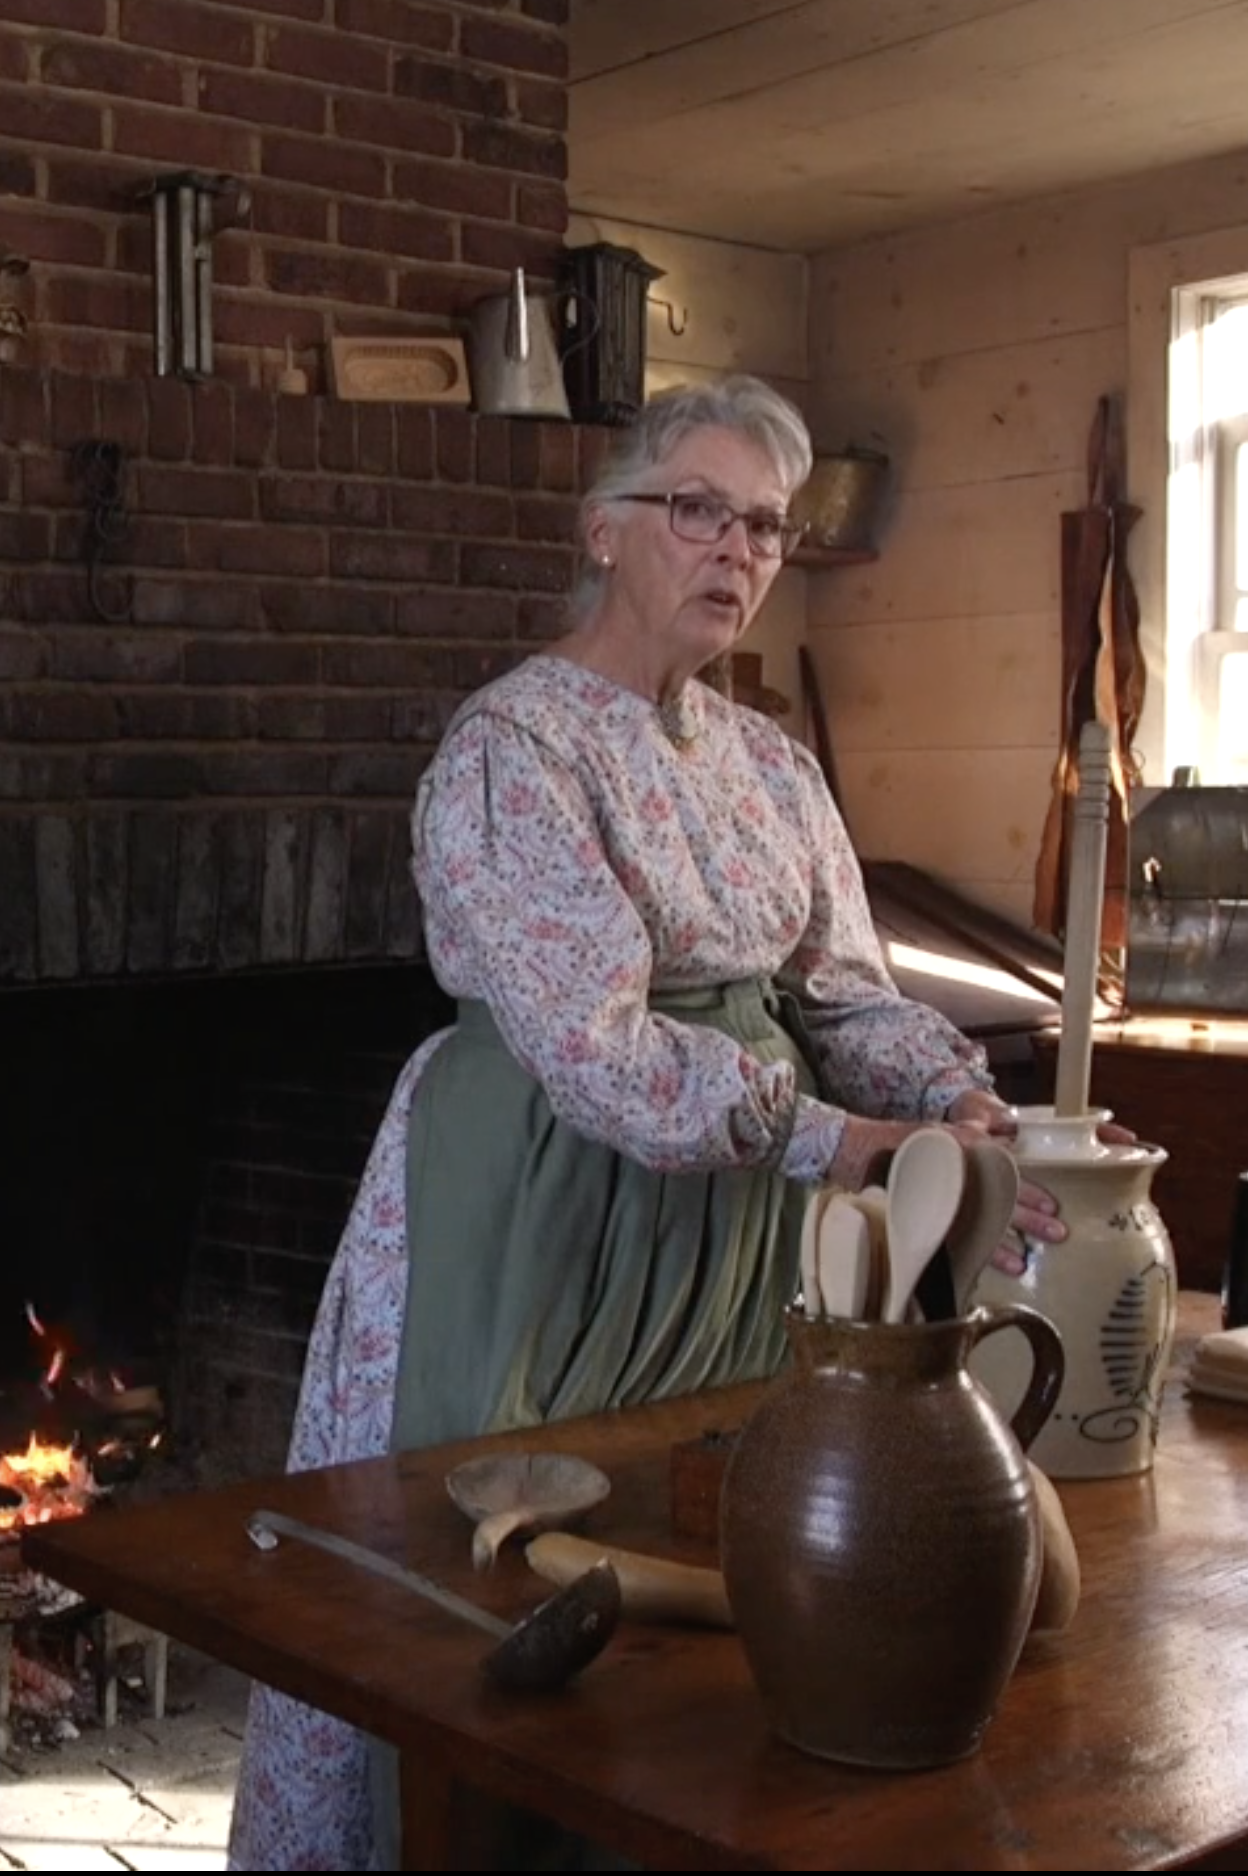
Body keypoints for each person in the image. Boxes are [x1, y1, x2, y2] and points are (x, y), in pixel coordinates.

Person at [225, 374, 1089, 1870]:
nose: (739, 550)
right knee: (509, 1580)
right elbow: (599, 1049)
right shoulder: (515, 749)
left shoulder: (770, 765)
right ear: (605, 532)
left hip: (745, 1225)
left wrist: (954, 1099)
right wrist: (844, 1147)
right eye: (699, 509)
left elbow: (841, 993)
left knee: (717, 1573)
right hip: (551, 1200)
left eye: (765, 526)